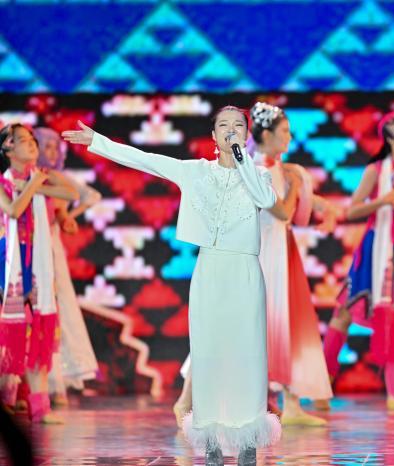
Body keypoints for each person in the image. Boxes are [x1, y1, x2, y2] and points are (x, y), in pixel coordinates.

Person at [62, 108, 281, 465]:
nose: (231, 130)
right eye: (223, 125)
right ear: (213, 136)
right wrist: (97, 142)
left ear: (246, 134)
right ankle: (211, 441)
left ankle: (248, 443)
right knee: (208, 352)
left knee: (248, 352)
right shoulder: (196, 171)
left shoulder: (259, 174)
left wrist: (242, 159)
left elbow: (266, 201)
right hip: (210, 268)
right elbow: (145, 159)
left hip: (245, 270)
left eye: (238, 126)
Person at [321, 110, 394, 411]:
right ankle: (320, 384)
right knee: (344, 312)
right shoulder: (376, 170)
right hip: (374, 251)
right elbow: (351, 210)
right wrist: (382, 201)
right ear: (391, 137)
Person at [250, 102, 337, 426]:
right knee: (269, 325)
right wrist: (297, 186)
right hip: (264, 255)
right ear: (267, 135)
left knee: (287, 324)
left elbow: (299, 208)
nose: (289, 137)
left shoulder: (278, 168)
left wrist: (324, 207)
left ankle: (290, 403)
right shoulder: (256, 170)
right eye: (284, 131)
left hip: (280, 252)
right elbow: (283, 211)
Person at [0, 123, 79, 424]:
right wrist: (31, 186)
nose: (31, 143)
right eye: (22, 140)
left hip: (38, 266)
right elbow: (13, 210)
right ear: (7, 150)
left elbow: (71, 192)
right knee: (8, 334)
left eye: (31, 139)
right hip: (8, 264)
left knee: (38, 332)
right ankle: (7, 397)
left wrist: (35, 185)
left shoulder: (42, 176)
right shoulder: (3, 183)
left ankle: (40, 406)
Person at [35, 127, 101, 406]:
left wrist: (66, 218)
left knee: (56, 309)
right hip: (23, 246)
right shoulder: (18, 177)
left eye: (55, 147)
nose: (50, 152)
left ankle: (55, 381)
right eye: (44, 146)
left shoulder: (53, 178)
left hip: (49, 249)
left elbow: (83, 196)